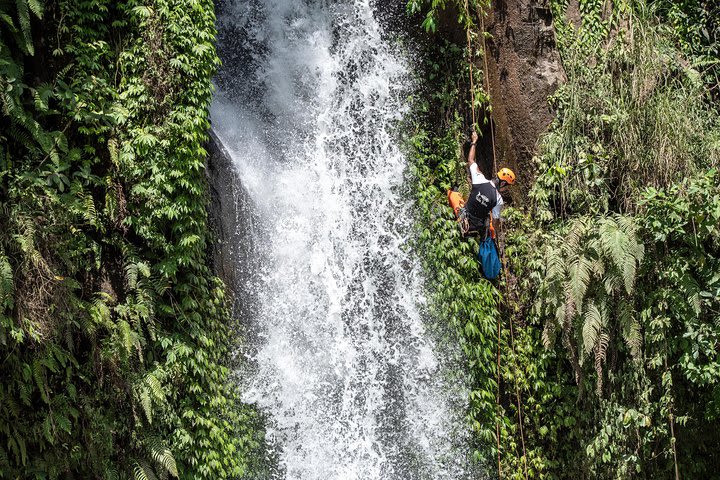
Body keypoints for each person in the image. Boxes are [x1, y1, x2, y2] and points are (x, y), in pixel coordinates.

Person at [447, 131, 516, 238]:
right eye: (507, 186)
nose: (506, 189)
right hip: (475, 228)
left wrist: (474, 142)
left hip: (463, 219)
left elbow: (470, 160)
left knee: (453, 194)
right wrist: (497, 224)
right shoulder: (498, 199)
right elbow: (496, 223)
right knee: (491, 226)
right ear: (502, 183)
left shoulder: (480, 179)